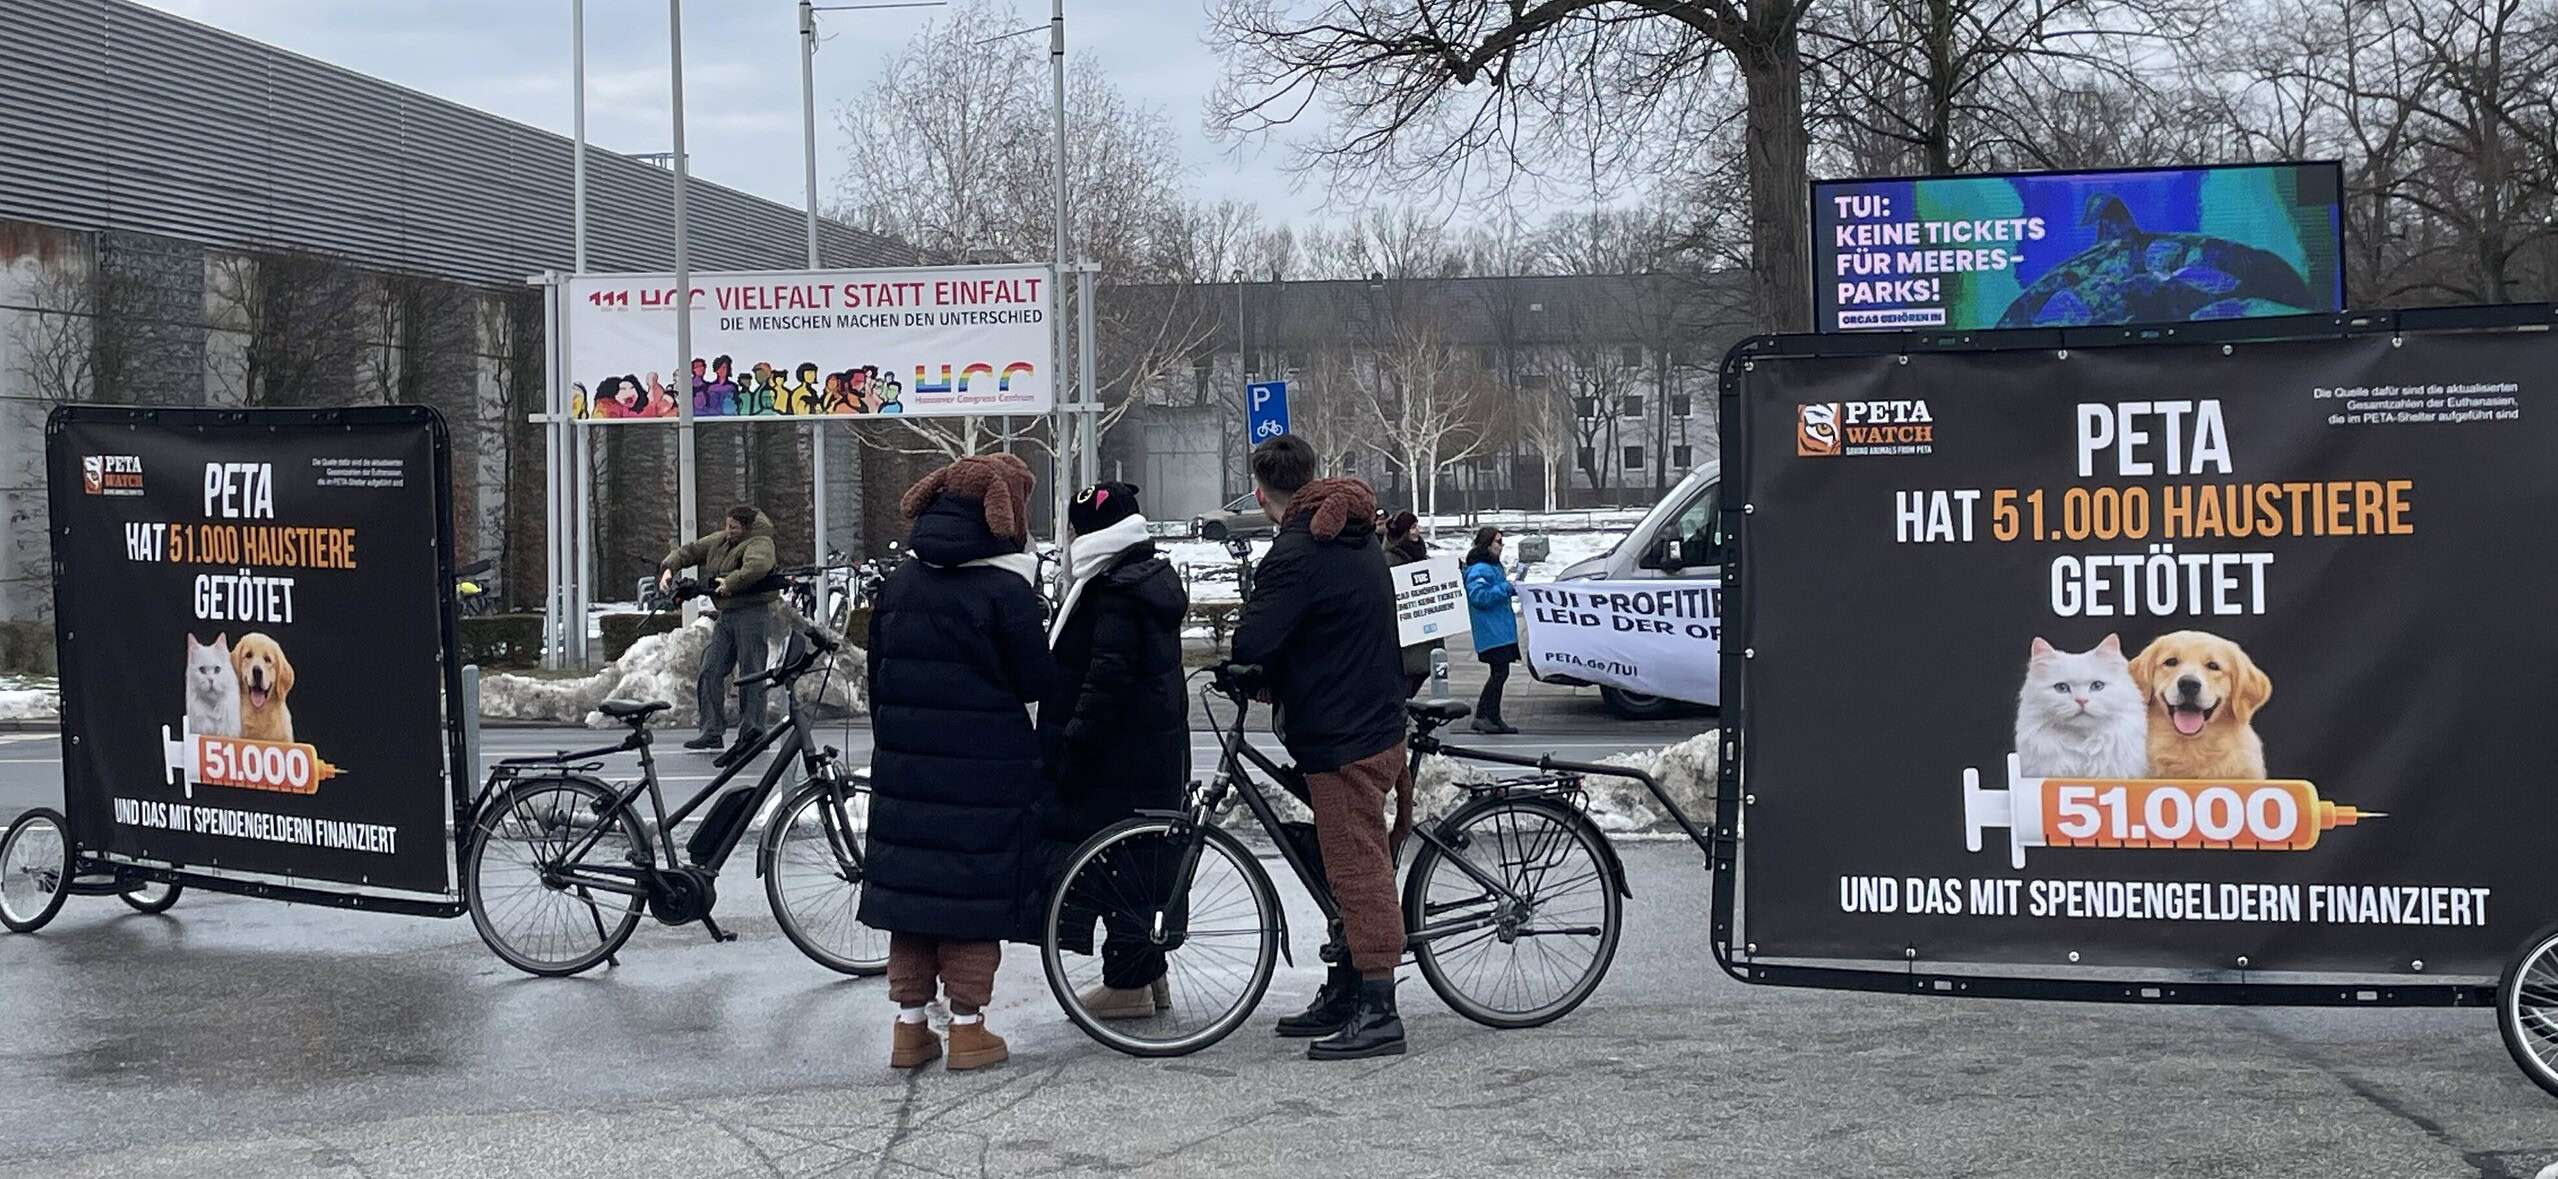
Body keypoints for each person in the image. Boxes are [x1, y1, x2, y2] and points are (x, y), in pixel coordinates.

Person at [859, 454, 1054, 1072]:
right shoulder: (1004, 592)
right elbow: (1035, 680)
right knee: (971, 900)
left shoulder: (898, 585)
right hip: (986, 770)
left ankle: (909, 1029)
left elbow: (877, 679)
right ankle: (969, 1029)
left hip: (906, 769)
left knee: (914, 897)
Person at [1229, 434, 1414, 1061]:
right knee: (1341, 859)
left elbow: (1254, 642)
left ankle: (1380, 1011)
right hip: (1366, 720)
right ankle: (1345, 989)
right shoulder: (1352, 533)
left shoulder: (1299, 551)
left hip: (1344, 736)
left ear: (1261, 493)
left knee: (1358, 869)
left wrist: (1248, 666)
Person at [1036, 481, 1188, 1019]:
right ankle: (1147, 976)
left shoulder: (1116, 593)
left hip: (1116, 760)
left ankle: (1127, 986)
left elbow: (1104, 685)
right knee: (1135, 862)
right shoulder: (1141, 578)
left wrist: (1071, 749)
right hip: (1143, 757)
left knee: (1115, 864)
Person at [658, 505, 782, 756]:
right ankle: (711, 730)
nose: (728, 531)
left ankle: (753, 731)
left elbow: (757, 567)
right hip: (726, 615)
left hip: (751, 613)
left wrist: (731, 582)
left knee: (752, 671)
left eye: (734, 527)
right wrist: (669, 567)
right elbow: (690, 551)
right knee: (711, 668)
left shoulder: (760, 542)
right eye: (727, 525)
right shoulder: (721, 541)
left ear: (746, 528)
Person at [1462, 526, 1522, 735]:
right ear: (1487, 544)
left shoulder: (1492, 566)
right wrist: (1506, 588)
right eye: (1498, 542)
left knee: (1500, 673)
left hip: (1499, 630)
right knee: (1499, 673)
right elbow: (1479, 597)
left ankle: (1490, 717)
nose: (1501, 546)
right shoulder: (1480, 569)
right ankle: (1485, 716)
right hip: (1492, 631)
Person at [1383, 510, 1434, 698]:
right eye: (1413, 527)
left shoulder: (1417, 553)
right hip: (1404, 626)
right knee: (1410, 672)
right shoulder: (1391, 559)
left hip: (1420, 623)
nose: (1417, 531)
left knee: (1422, 668)